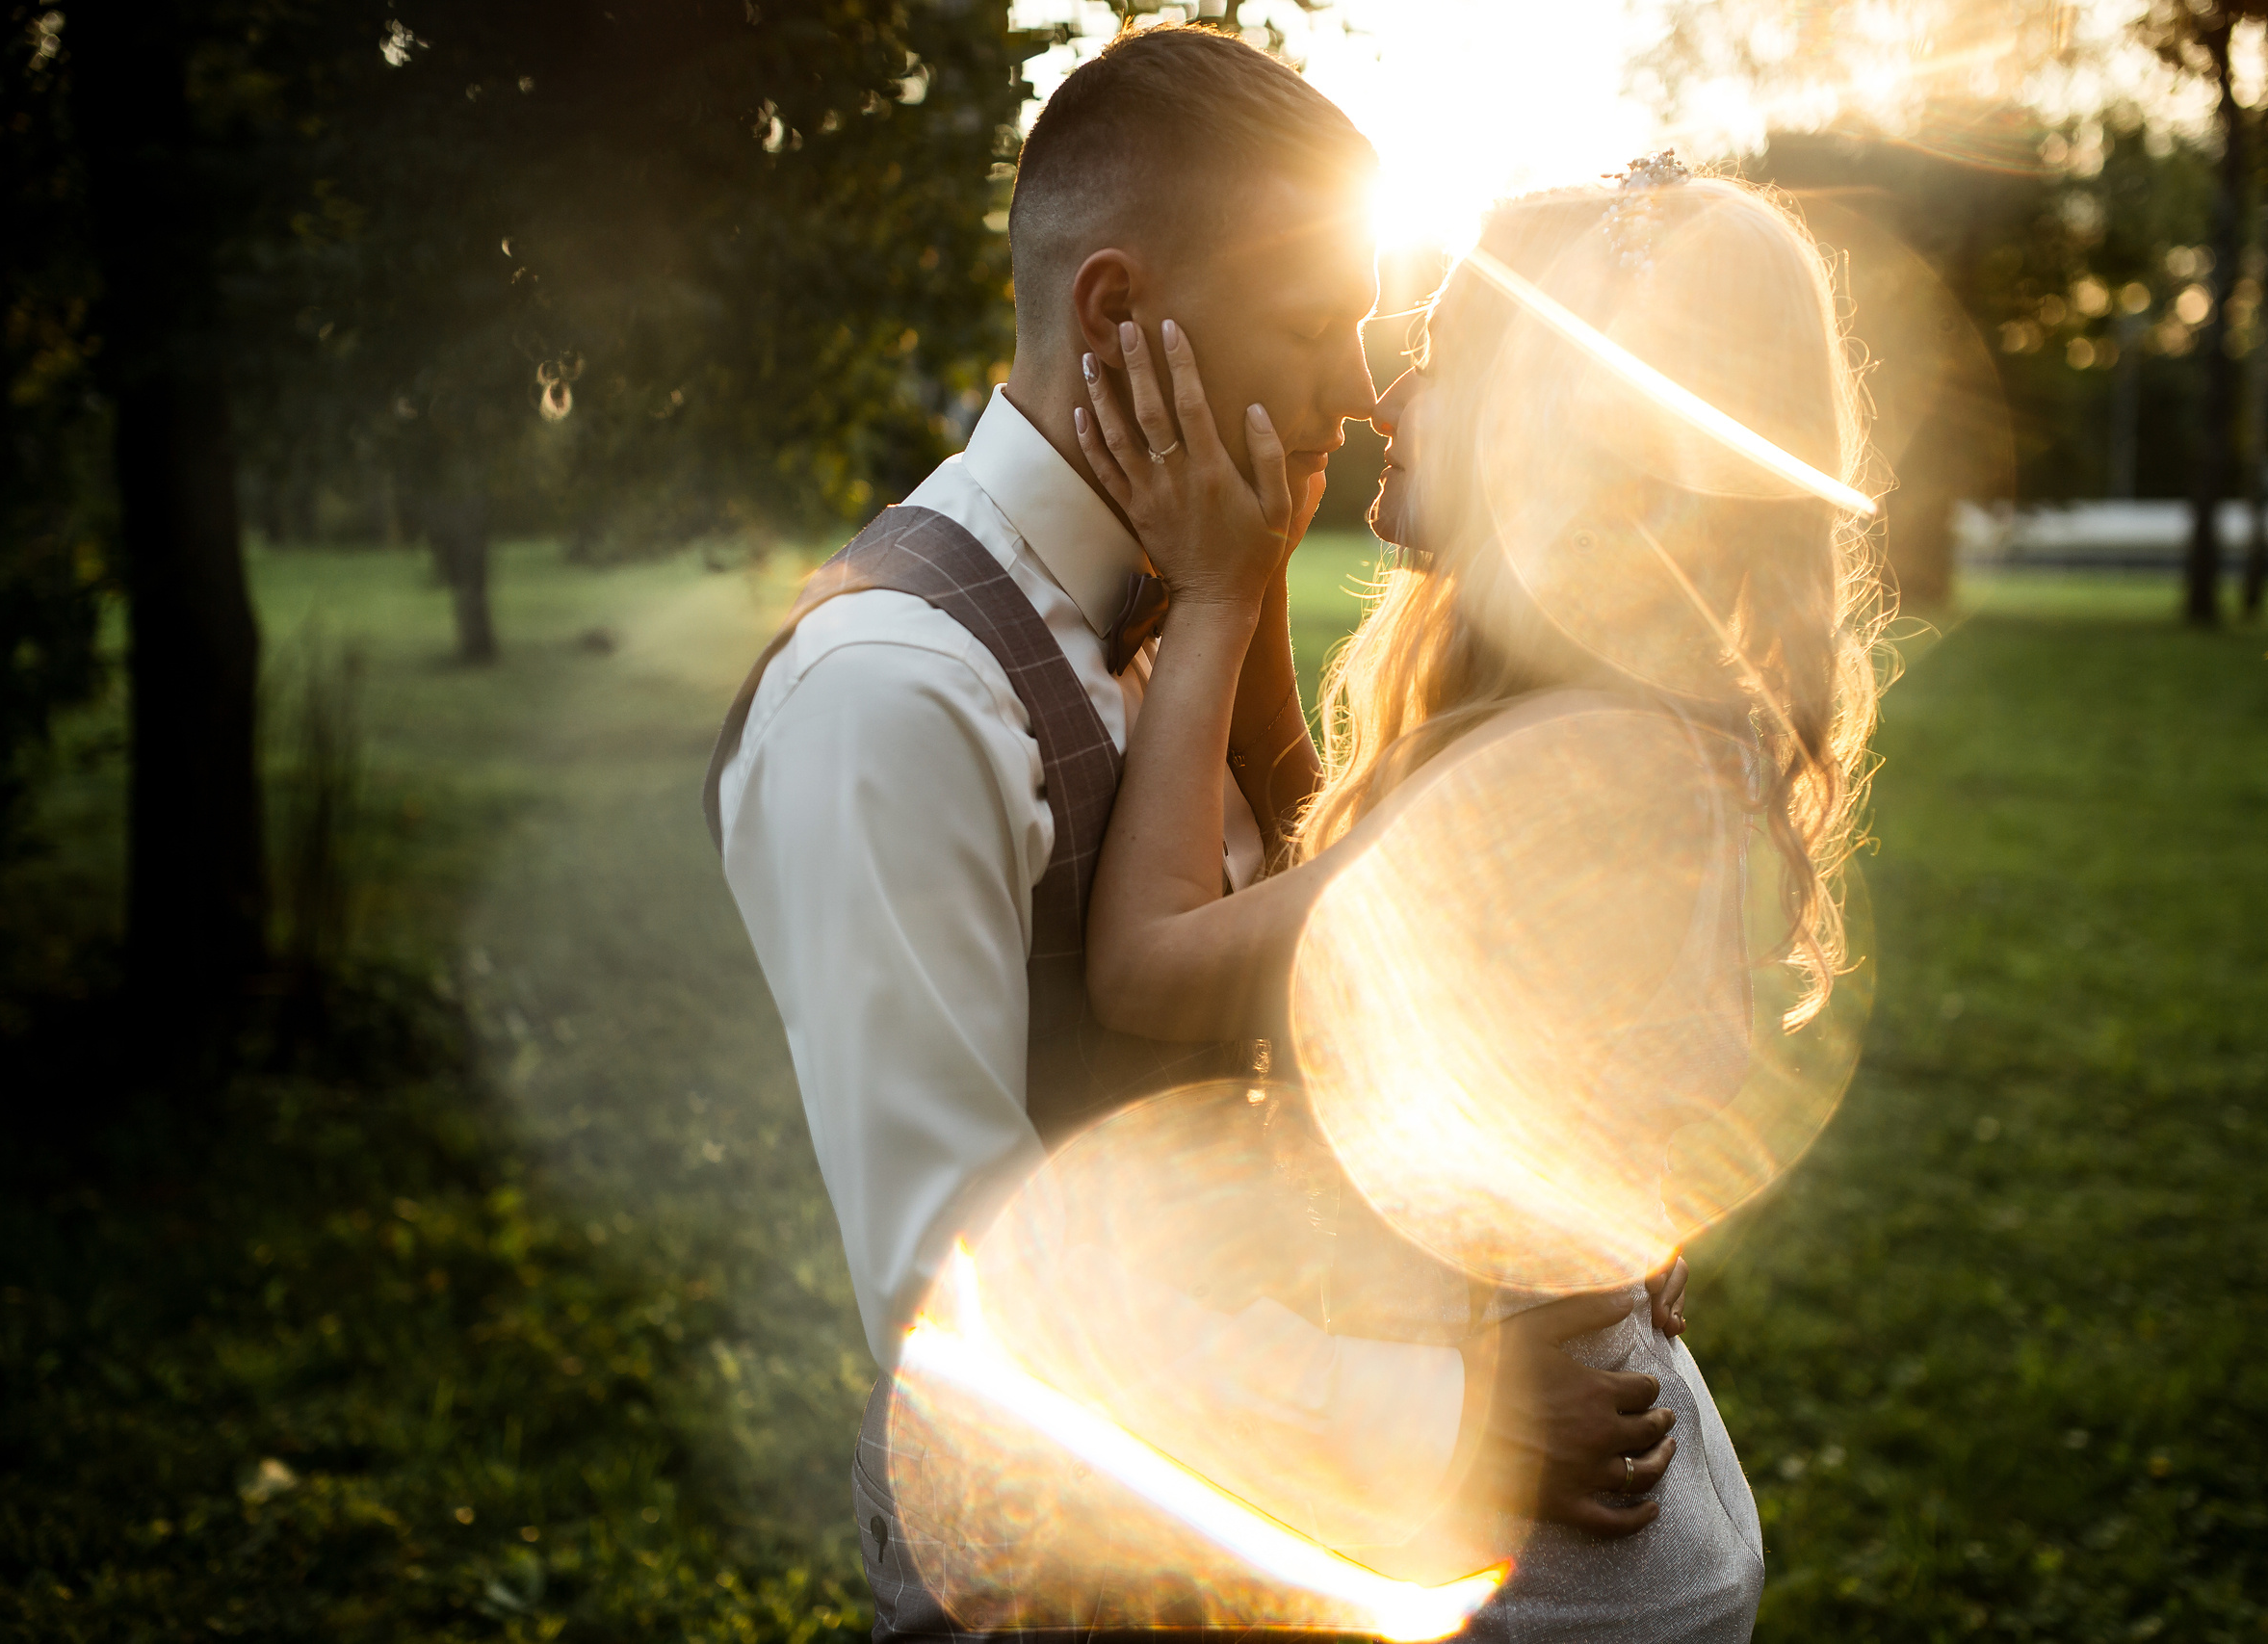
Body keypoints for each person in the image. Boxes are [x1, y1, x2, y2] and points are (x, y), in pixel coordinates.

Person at [706, 23, 1690, 1642]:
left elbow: (1316, 964)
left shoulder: (1195, 586)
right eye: (1314, 326)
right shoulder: (891, 696)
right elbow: (965, 1292)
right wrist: (1449, 1422)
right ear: (1116, 316)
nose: (1362, 393)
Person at [1070, 163, 1885, 1642]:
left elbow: (1146, 966)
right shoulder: (1618, 727)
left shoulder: (1568, 778)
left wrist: (1210, 598)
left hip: (1537, 1572)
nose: (1384, 395)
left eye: (1439, 354)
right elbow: (1359, 902)